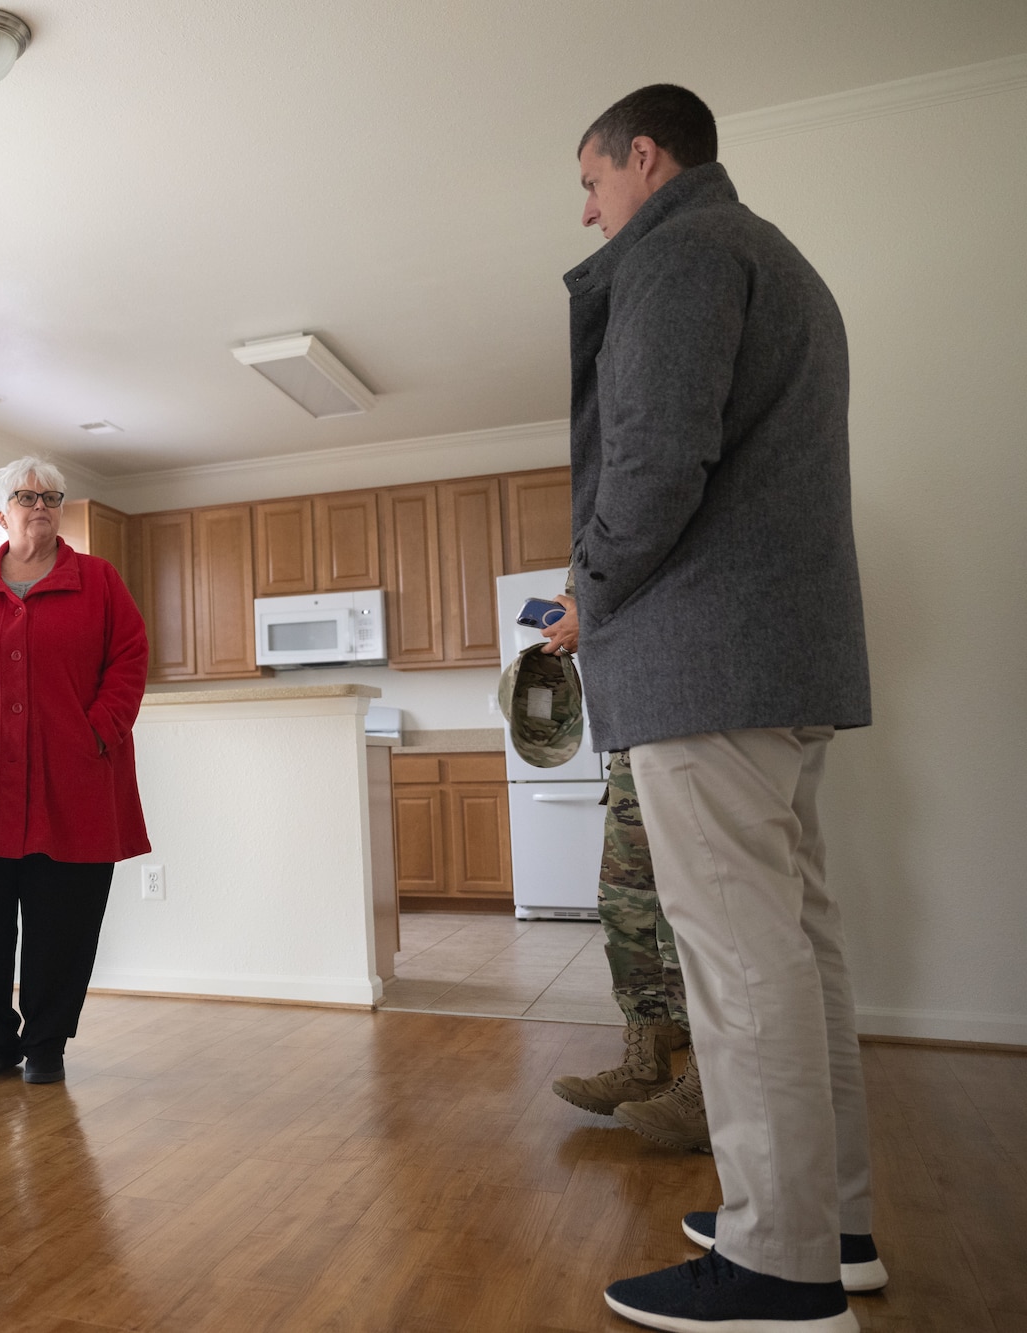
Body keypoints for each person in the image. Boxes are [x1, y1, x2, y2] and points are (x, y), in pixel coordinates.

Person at [562, 85, 882, 1330]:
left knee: (742, 965)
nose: (587, 212)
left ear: (645, 158)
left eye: (590, 183)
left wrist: (588, 592)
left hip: (707, 672)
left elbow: (649, 461)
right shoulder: (772, 256)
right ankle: (827, 1222)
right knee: (794, 953)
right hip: (779, 666)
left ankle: (777, 1269)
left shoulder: (680, 251)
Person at [0, 457, 149, 1085]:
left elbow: (129, 660)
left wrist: (98, 730)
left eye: (51, 496)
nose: (40, 505)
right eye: (25, 495)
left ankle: (46, 1042)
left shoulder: (98, 582)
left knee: (63, 923)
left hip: (73, 781)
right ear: (1, 512)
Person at [543, 585, 708, 1154]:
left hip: (684, 713)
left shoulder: (642, 509)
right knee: (628, 904)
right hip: (631, 731)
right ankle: (647, 1059)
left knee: (688, 916)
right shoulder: (602, 519)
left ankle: (711, 1086)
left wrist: (595, 618)